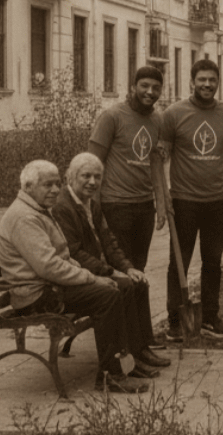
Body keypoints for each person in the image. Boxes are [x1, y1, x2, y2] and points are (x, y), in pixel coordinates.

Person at [0, 160, 147, 393]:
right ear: (28, 186)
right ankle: (111, 376)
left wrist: (91, 275)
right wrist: (92, 278)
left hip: (47, 287)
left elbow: (61, 258)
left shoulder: (37, 210)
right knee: (107, 295)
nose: (56, 190)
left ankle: (125, 363)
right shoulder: (25, 218)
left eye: (57, 184)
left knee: (116, 287)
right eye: (48, 185)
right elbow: (50, 267)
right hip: (35, 297)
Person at [52, 153, 171, 377]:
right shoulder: (63, 208)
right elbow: (74, 253)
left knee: (138, 281)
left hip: (93, 272)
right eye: (86, 176)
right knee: (123, 287)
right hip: (77, 276)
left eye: (97, 177)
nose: (92, 182)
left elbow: (109, 242)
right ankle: (127, 360)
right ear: (71, 177)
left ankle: (140, 350)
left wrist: (127, 267)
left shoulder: (92, 204)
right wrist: (110, 272)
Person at [159, 59, 223, 341]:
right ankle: (174, 320)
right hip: (184, 201)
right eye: (202, 80)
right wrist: (163, 198)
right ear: (192, 81)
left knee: (213, 262)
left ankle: (209, 318)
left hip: (217, 202)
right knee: (178, 262)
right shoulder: (174, 114)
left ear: (218, 82)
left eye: (212, 80)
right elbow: (162, 159)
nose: (207, 84)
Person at [88, 65, 168, 275]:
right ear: (133, 87)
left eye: (156, 88)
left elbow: (156, 164)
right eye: (144, 86)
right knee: (122, 268)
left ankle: (138, 308)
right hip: (116, 205)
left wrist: (160, 203)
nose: (150, 92)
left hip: (144, 207)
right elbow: (92, 164)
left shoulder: (158, 120)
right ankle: (124, 308)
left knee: (139, 267)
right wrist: (93, 207)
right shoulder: (112, 117)